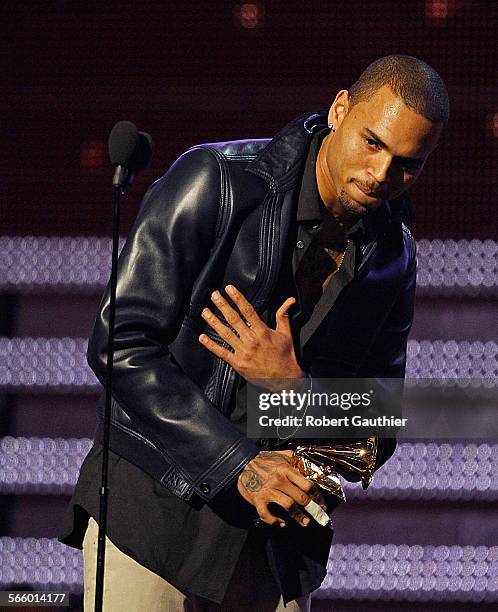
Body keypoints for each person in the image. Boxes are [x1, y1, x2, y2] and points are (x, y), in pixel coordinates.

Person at [59, 55, 449, 611]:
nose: (382, 174)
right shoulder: (216, 180)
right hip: (154, 516)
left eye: (408, 164)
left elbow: (379, 423)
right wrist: (237, 465)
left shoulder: (393, 256)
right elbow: (119, 341)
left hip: (273, 548)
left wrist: (291, 389)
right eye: (372, 142)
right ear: (340, 109)